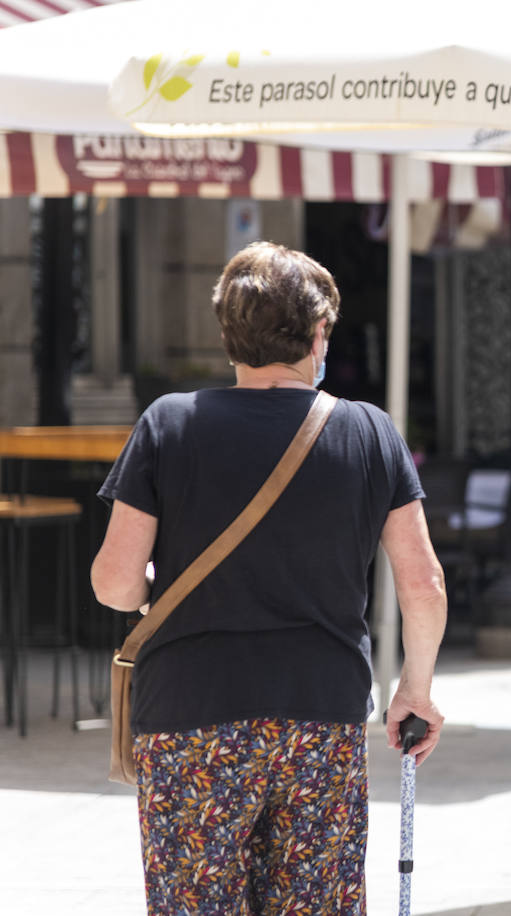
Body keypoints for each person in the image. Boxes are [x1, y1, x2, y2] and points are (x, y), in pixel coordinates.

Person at [90, 242, 447, 915]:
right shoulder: (369, 431)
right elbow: (422, 582)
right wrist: (416, 691)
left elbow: (113, 585)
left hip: (192, 718)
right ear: (317, 335)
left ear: (230, 335)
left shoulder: (168, 424)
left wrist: (148, 586)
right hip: (320, 714)